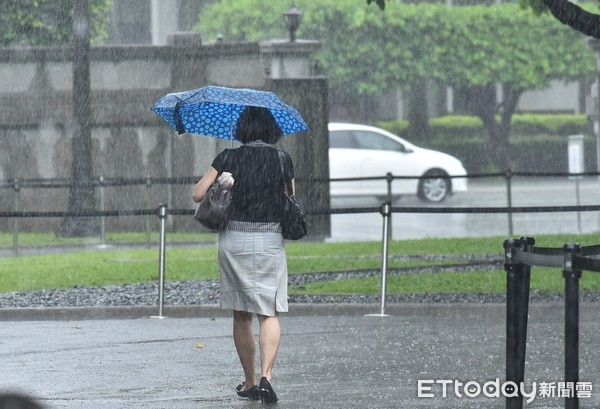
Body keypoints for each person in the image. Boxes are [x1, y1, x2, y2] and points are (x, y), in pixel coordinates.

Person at [192, 106, 295, 403]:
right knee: (268, 311)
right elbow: (289, 197)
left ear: (243, 128)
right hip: (269, 239)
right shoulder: (281, 158)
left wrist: (222, 182)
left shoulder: (227, 158)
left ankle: (249, 382)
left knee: (241, 312)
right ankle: (266, 378)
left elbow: (198, 195)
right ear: (271, 128)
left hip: (234, 239)